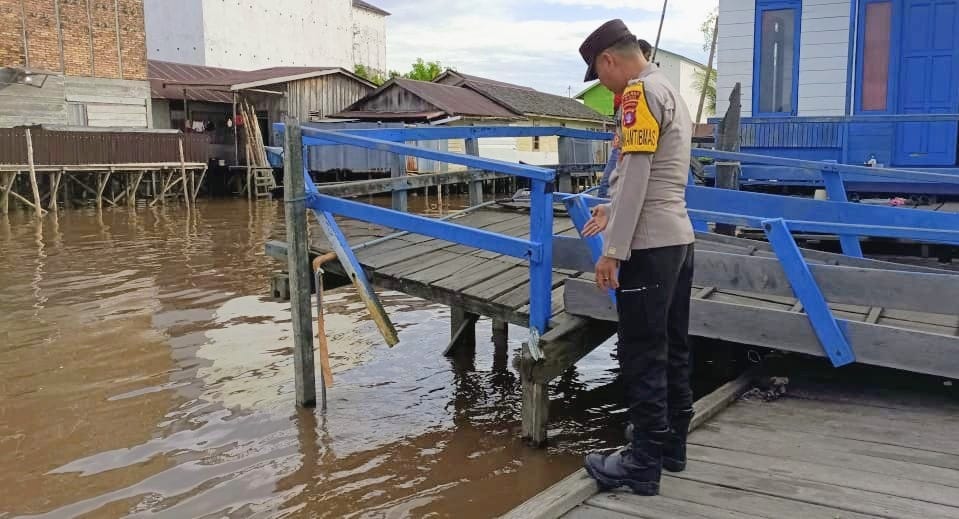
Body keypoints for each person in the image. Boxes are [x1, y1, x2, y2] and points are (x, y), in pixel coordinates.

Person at [577, 19, 696, 496]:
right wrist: (611, 208)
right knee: (674, 344)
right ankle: (671, 444)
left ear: (609, 60)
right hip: (678, 239)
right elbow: (657, 175)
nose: (604, 86)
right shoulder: (670, 89)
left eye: (599, 74)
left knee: (642, 352)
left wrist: (613, 251)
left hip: (648, 246)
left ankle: (643, 463)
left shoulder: (639, 94)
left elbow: (638, 171)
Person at [597, 39, 652, 199]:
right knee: (608, 184)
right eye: (647, 57)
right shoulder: (630, 83)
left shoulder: (643, 86)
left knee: (614, 184)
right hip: (623, 136)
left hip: (629, 139)